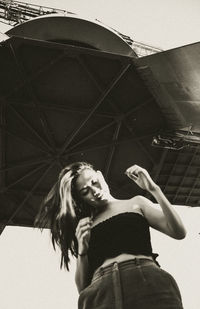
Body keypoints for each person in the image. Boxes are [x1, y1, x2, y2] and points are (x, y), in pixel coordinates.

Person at [35, 161, 186, 309]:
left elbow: (178, 232)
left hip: (147, 282)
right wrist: (82, 250)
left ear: (100, 176)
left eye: (94, 182)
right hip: (102, 292)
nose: (94, 191)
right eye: (84, 191)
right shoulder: (85, 225)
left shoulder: (136, 203)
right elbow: (83, 288)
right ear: (80, 198)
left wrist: (154, 189)